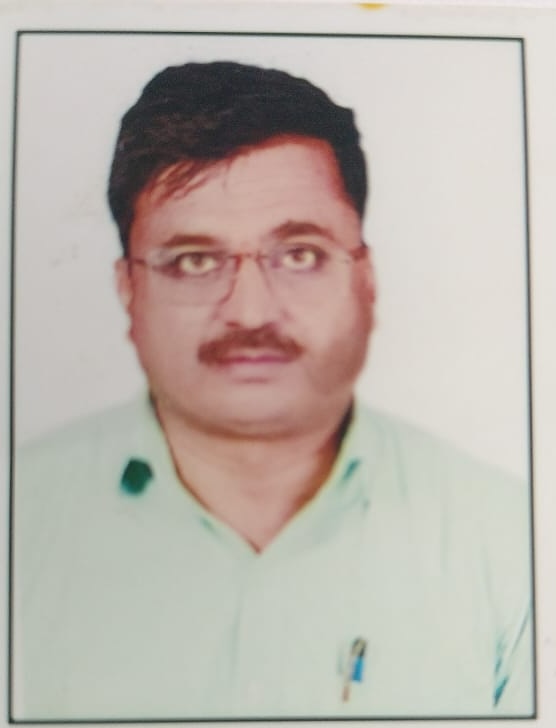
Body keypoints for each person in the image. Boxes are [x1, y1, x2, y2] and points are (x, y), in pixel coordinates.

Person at [13, 61, 533, 721]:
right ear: (128, 289)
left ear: (366, 280)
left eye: (300, 254)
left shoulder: (514, 546)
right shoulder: (18, 526)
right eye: (195, 261)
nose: (250, 312)